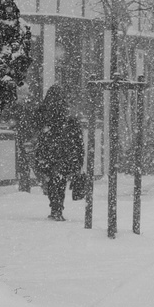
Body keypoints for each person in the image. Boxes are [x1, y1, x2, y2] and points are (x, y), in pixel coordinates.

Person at [31, 84, 86, 221]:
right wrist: (78, 158)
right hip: (63, 153)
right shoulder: (68, 117)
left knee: (53, 180)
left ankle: (55, 206)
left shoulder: (44, 113)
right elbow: (77, 140)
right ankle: (57, 207)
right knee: (59, 180)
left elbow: (36, 126)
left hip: (48, 153)